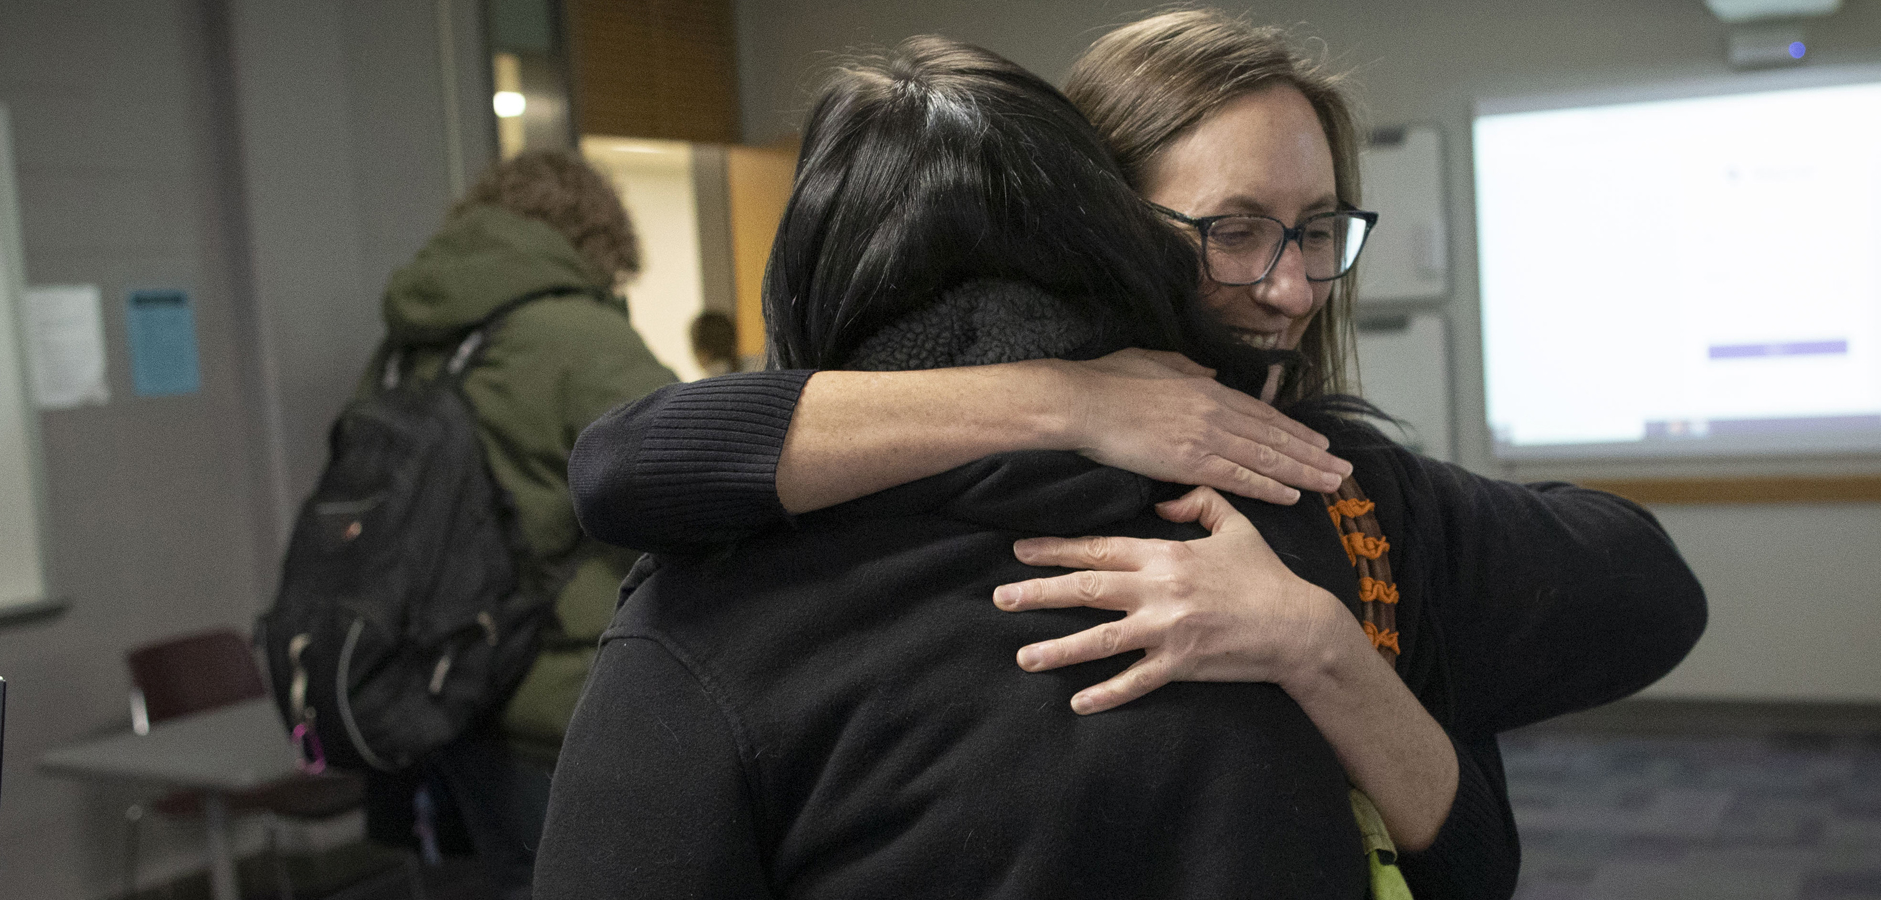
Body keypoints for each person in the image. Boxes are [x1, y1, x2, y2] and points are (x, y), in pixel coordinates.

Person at [556, 11, 1706, 899]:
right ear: (1101, 225)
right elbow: (624, 463)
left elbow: (1484, 844)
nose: (1293, 284)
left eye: (1318, 229)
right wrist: (1066, 398)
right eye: (1235, 228)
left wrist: (1323, 646)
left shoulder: (1322, 484)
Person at [351, 152, 676, 894]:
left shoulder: (401, 350)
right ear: (596, 236)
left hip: (441, 686)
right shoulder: (581, 337)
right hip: (567, 695)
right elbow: (692, 478)